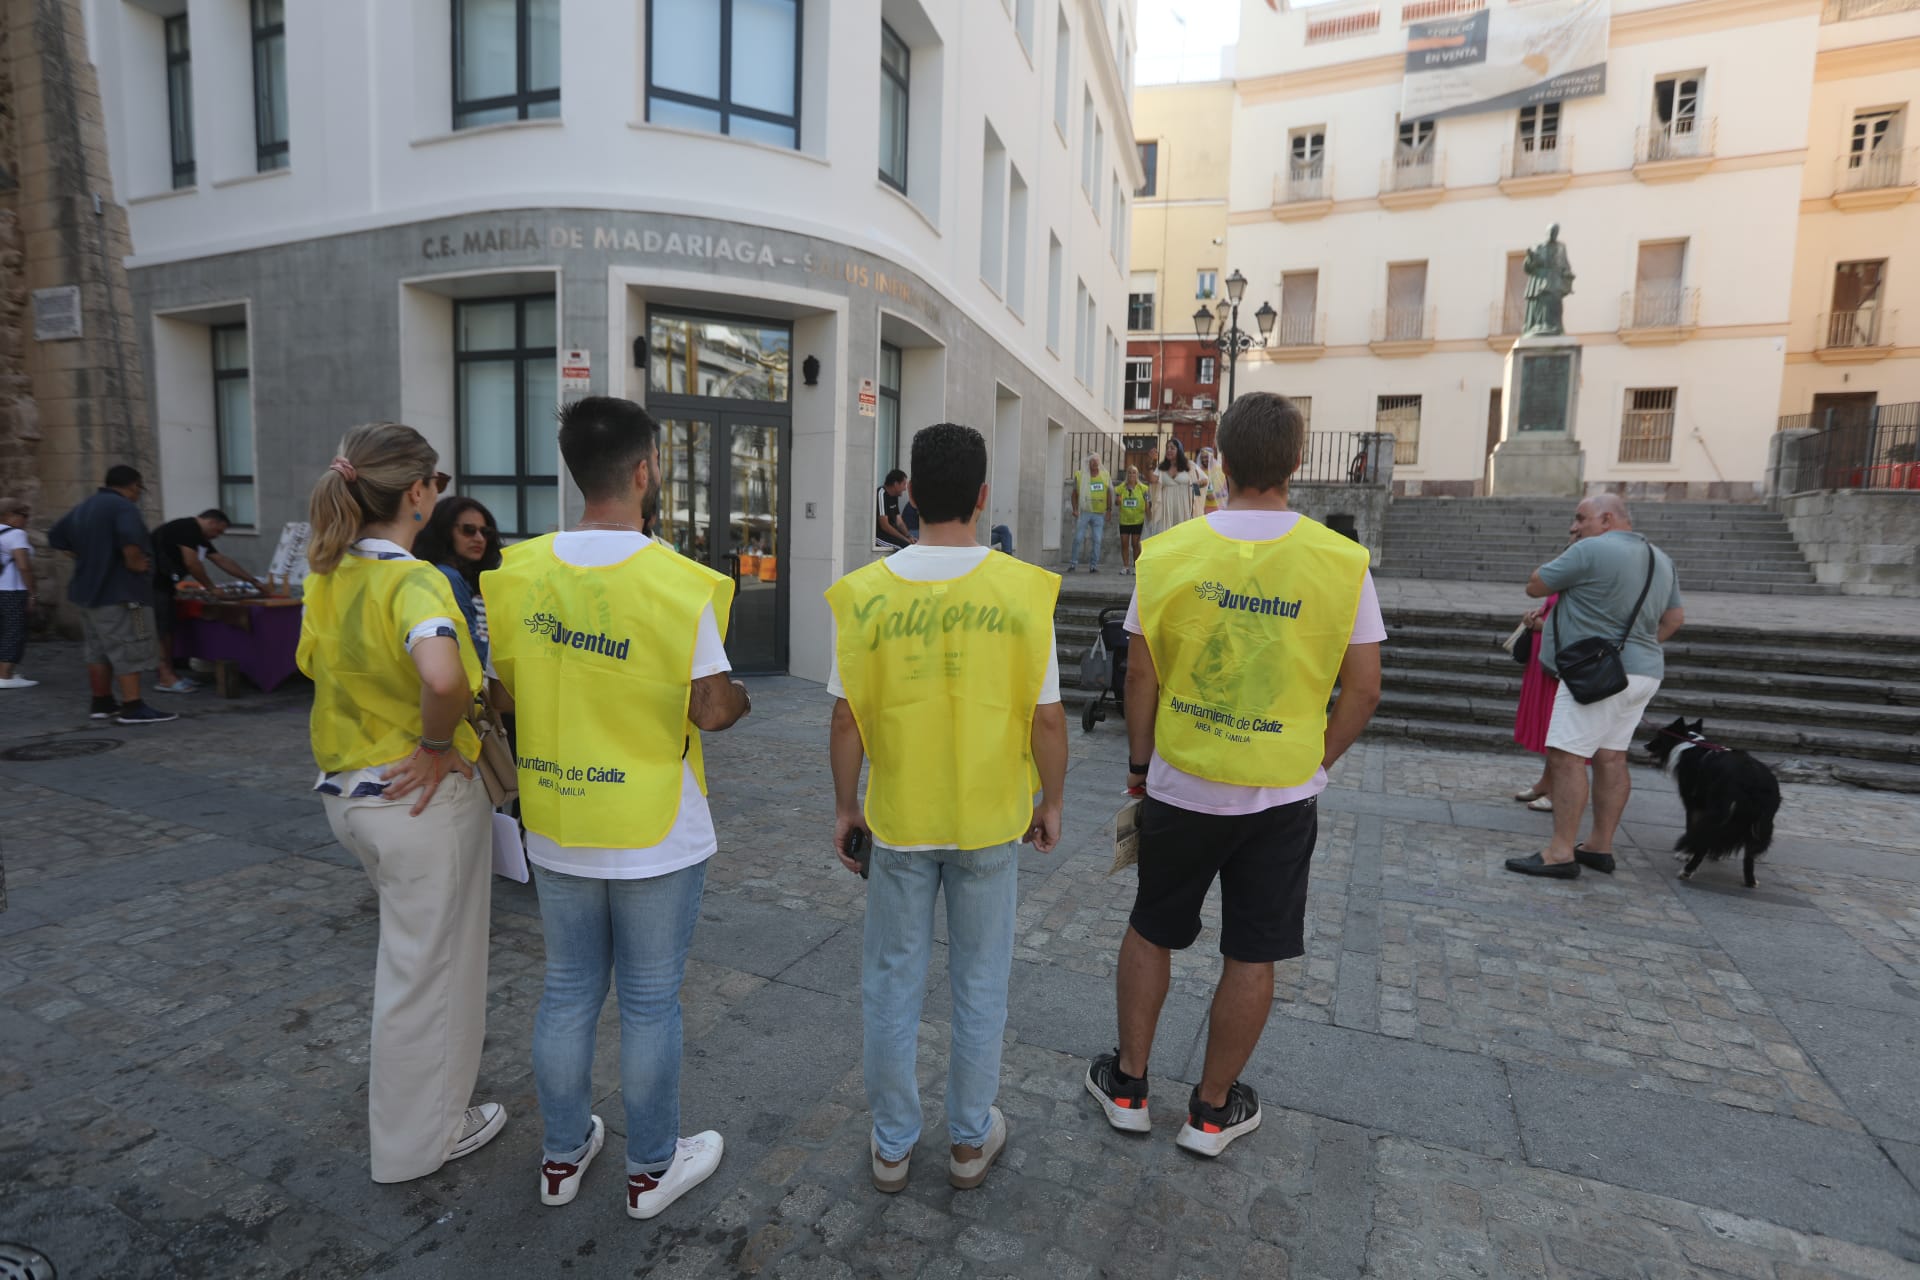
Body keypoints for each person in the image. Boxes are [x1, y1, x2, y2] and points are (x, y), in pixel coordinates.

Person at [1086, 392, 1383, 1158]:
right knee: (1253, 949)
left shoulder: (1169, 552)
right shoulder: (1341, 562)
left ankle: (1129, 1085)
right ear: (1294, 461)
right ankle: (1212, 1112)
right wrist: (1313, 759)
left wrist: (1139, 768)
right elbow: (1365, 689)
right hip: (1280, 793)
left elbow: (1140, 679)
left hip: (1183, 779)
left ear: (1220, 456)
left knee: (1153, 927)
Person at [484, 396, 751, 1221]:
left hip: (560, 813)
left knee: (566, 991)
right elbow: (710, 708)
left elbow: (501, 693)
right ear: (644, 471)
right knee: (647, 1000)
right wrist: (740, 700)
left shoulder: (518, 573)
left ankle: (561, 1159)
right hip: (655, 826)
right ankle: (650, 1171)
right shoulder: (678, 581)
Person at [826, 422, 1067, 1196]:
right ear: (983, 497)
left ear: (910, 499)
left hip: (899, 818)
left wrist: (844, 807)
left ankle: (893, 1145)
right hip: (991, 818)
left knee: (892, 982)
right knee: (980, 980)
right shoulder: (1023, 591)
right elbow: (1050, 719)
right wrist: (1051, 799)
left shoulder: (865, 595)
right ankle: (969, 1140)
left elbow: (845, 720)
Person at [296, 424, 500, 1183]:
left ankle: (424, 1121)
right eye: (436, 484)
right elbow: (442, 677)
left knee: (416, 966)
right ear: (418, 492)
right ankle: (420, 1141)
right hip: (420, 799)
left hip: (351, 794)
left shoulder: (327, 571)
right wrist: (438, 741)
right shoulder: (412, 580)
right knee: (432, 974)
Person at [1507, 495, 1683, 880]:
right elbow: (1674, 619)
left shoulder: (1590, 550)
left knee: (1567, 756)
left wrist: (1572, 550)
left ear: (1606, 519)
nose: (1575, 526)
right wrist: (1638, 648)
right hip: (1644, 672)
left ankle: (1559, 852)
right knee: (1611, 757)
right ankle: (1600, 847)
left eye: (1580, 518)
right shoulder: (1660, 558)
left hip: (1595, 673)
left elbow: (1535, 586)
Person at [46, 465, 176, 725]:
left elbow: (56, 537)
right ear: (133, 485)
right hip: (127, 596)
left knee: (97, 650)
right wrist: (135, 562)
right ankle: (133, 705)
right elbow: (130, 539)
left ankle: (102, 702)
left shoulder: (86, 506)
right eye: (140, 489)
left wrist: (88, 558)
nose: (139, 494)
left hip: (88, 594)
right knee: (133, 644)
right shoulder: (123, 507)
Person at [151, 508, 270, 693]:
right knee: (161, 628)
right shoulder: (187, 528)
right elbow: (192, 563)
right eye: (219, 531)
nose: (218, 536)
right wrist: (211, 588)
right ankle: (165, 676)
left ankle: (169, 673)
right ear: (211, 522)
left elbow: (221, 560)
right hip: (151, 586)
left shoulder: (199, 537)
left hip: (163, 585)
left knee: (167, 627)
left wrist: (253, 581)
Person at [414, 497, 503, 668]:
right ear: (445, 532)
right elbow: (470, 644)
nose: (479, 538)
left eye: (486, 532)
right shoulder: (448, 576)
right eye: (468, 530)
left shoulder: (456, 575)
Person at [1510, 594, 1563, 812]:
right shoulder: (1571, 572)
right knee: (1548, 723)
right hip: (1544, 658)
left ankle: (1558, 791)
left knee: (1557, 724)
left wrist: (1545, 625)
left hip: (1560, 660)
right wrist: (1535, 616)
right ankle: (1545, 782)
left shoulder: (1588, 574)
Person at [0, 495, 36, 689]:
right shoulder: (16, 535)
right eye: (23, 514)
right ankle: (5, 676)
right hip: (12, 590)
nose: (26, 519)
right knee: (14, 632)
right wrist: (32, 592)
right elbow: (24, 566)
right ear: (8, 516)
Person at [1146, 440, 1200, 539]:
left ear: (1179, 450)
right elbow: (1152, 479)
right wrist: (1150, 462)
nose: (1168, 450)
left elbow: (1201, 481)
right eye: (1167, 448)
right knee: (1166, 537)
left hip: (1184, 508)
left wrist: (1195, 500)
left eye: (1172, 448)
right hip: (1166, 508)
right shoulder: (1162, 467)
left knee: (1183, 538)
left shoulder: (1189, 465)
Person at [1066, 454, 1110, 573]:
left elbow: (1108, 493)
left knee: (1097, 539)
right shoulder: (1080, 476)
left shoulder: (1105, 475)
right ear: (1088, 463)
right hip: (1084, 512)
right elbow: (1074, 493)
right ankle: (1073, 563)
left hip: (1099, 513)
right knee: (1078, 538)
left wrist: (1109, 510)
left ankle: (1093, 566)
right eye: (1092, 461)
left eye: (1097, 461)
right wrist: (1075, 509)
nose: (1095, 463)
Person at [1114, 465, 1151, 577]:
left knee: (1135, 544)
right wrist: (1118, 501)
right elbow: (1116, 502)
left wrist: (1149, 516)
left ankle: (1136, 566)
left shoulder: (1143, 488)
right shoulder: (1121, 487)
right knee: (1124, 543)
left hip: (1137, 520)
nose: (1131, 475)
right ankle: (1125, 566)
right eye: (1129, 472)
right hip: (1124, 520)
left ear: (1137, 475)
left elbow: (1148, 504)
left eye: (1134, 472)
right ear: (1127, 475)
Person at [875, 469, 913, 549]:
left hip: (890, 535)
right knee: (905, 547)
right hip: (879, 536)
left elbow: (899, 522)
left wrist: (909, 536)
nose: (905, 488)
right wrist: (905, 539)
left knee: (912, 546)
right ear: (896, 484)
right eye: (903, 484)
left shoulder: (894, 496)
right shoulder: (881, 494)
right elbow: (884, 526)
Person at [1196, 447, 1227, 515]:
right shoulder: (1197, 471)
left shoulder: (1219, 470)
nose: (1204, 460)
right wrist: (1204, 493)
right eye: (1202, 457)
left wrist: (1215, 495)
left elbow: (1225, 491)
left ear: (1212, 456)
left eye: (1206, 457)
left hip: (1217, 507)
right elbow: (1195, 490)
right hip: (1202, 507)